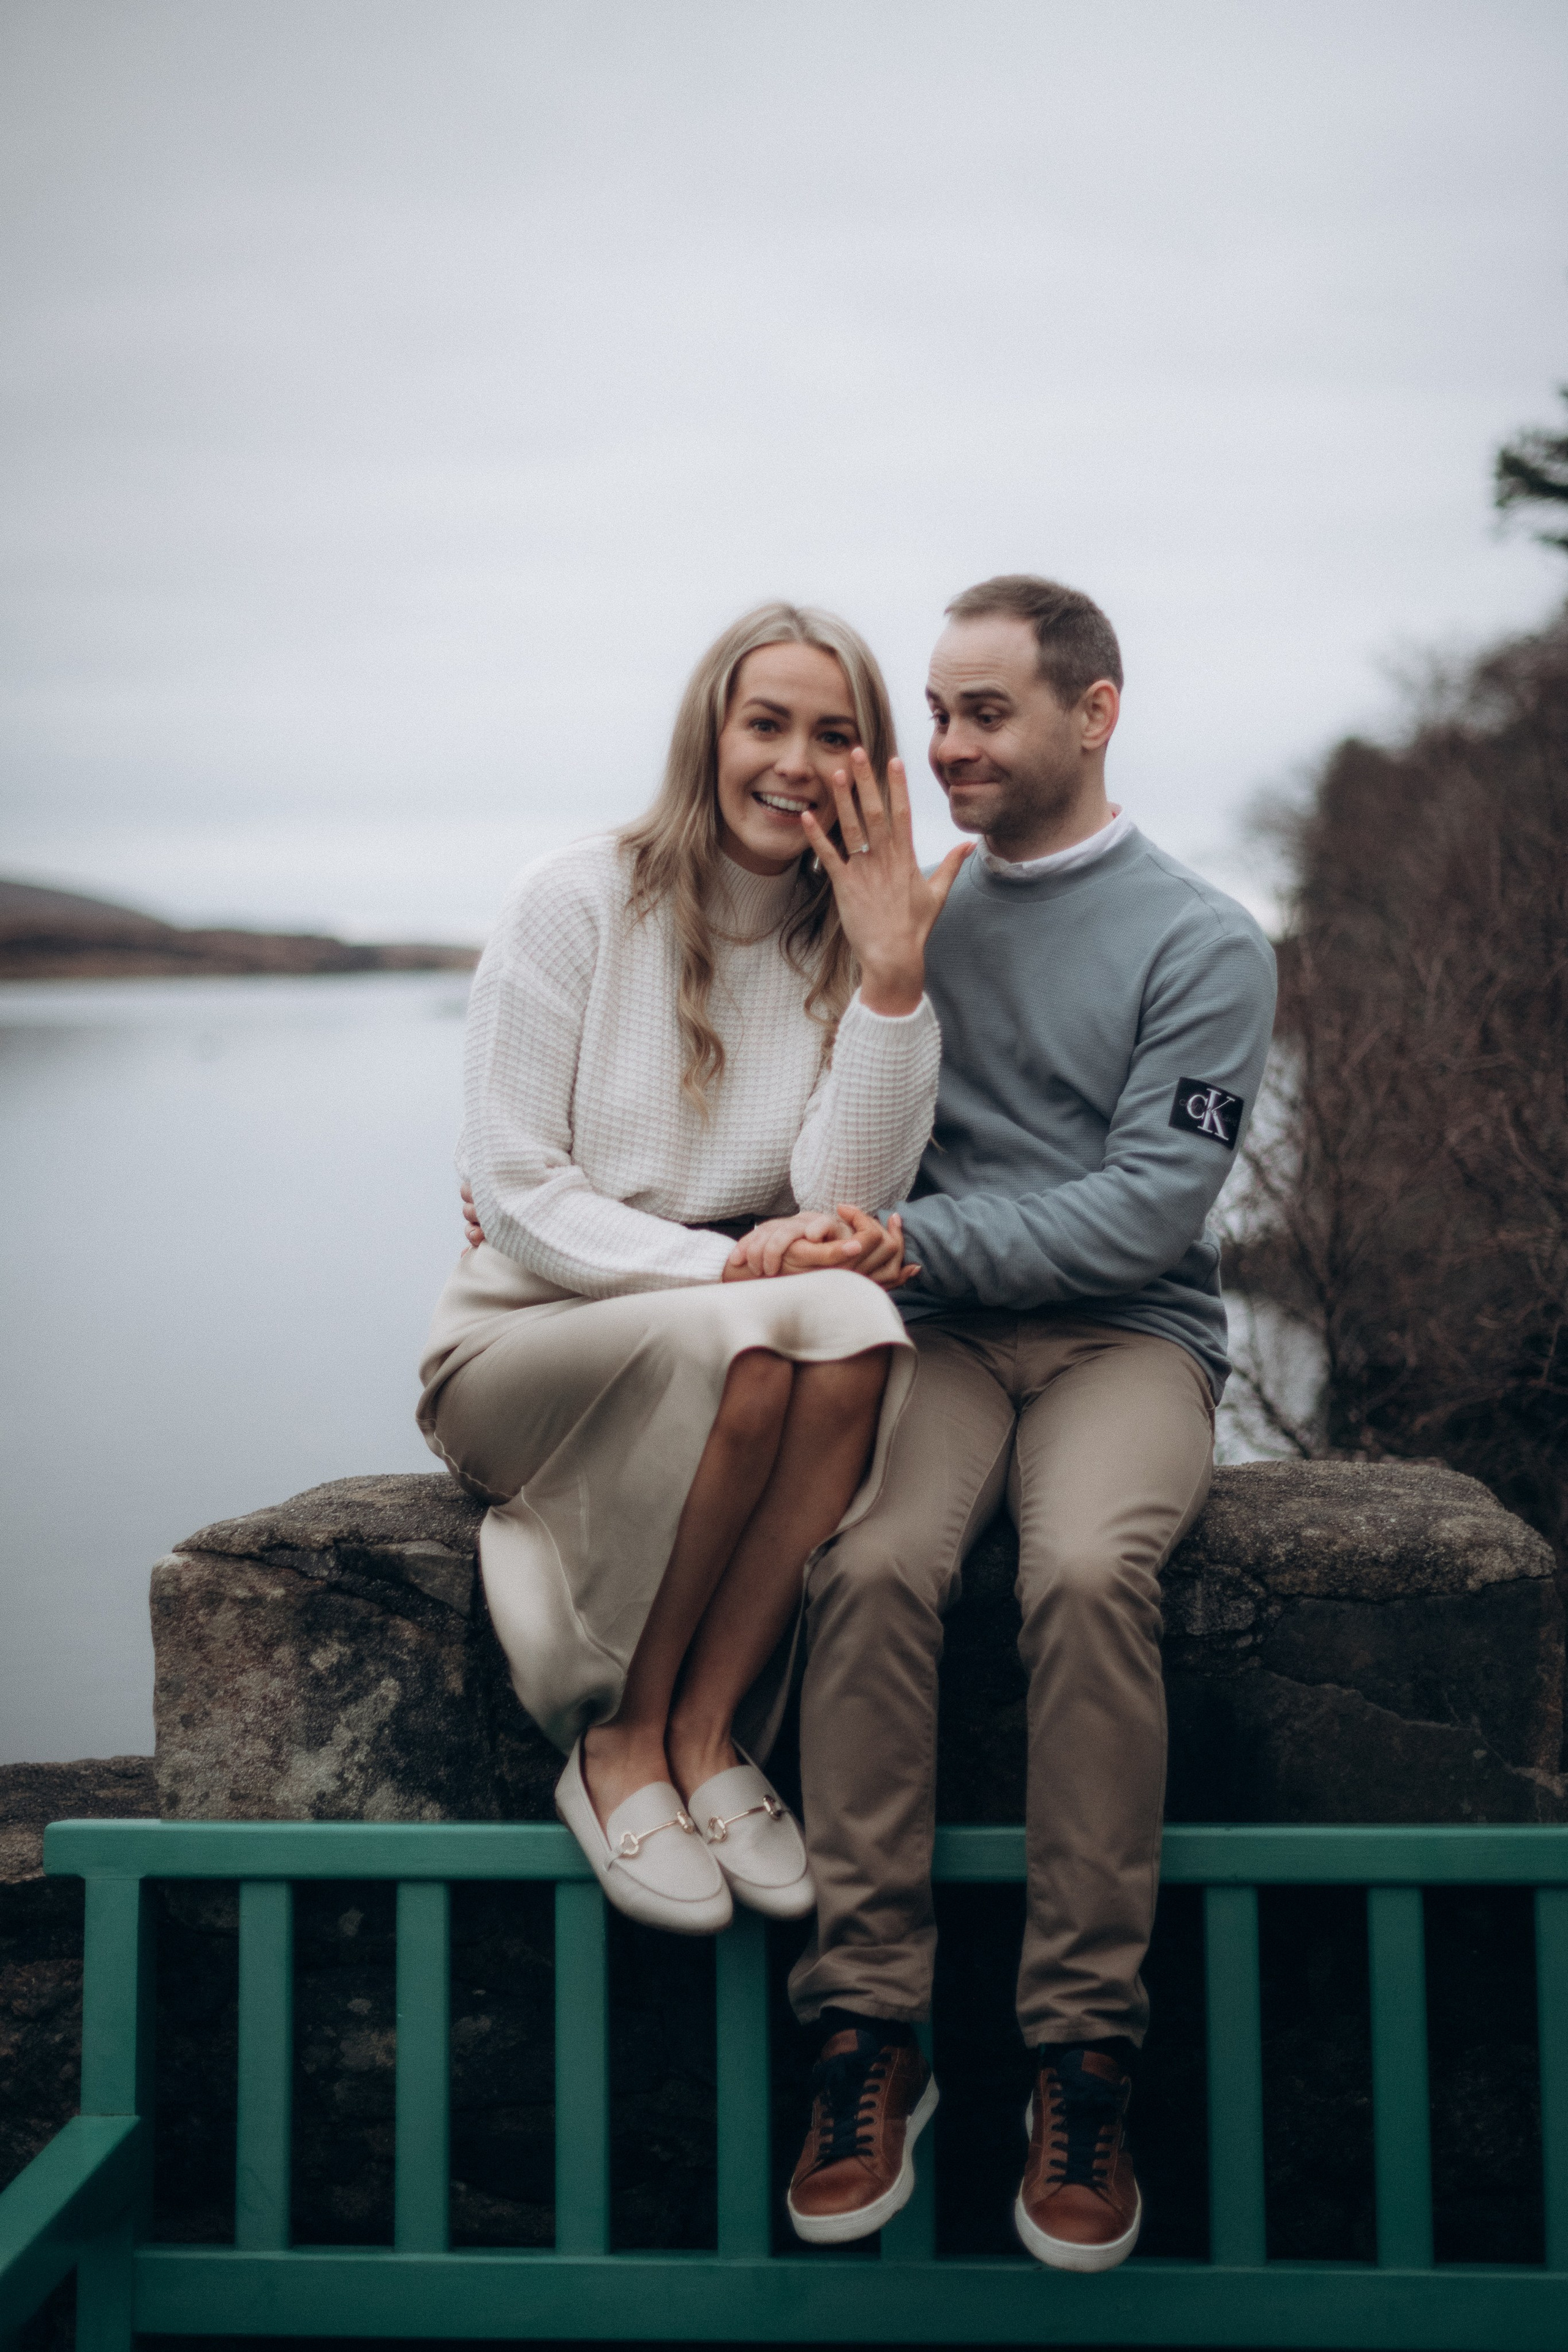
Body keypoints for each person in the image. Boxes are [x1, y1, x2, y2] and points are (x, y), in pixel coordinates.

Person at [782, 577, 1277, 2268]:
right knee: (864, 1573)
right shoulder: (908, 912)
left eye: (984, 711)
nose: (944, 745)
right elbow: (813, 1119)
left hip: (1122, 1338)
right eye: (933, 711)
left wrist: (917, 1238)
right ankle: (867, 2037)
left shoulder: (1205, 943)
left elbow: (1150, 1209)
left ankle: (1083, 2059)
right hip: (930, 1338)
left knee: (1081, 1578)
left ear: (1096, 711)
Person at [418, 601, 969, 1938]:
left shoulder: (849, 938)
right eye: (763, 723)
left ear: (869, 766)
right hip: (520, 1337)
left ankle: (710, 1734)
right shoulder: (575, 901)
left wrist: (892, 975)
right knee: (773, 1331)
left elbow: (848, 1202)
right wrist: (727, 1269)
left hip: (727, 1330)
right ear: (706, 736)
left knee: (849, 1322)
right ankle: (618, 1744)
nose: (793, 761)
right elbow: (521, 1197)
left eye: (833, 735)